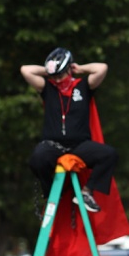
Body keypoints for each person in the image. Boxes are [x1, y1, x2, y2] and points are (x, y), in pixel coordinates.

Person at [20, 48, 117, 212]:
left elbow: (102, 68)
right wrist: (50, 68)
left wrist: (79, 69)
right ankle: (50, 193)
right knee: (37, 158)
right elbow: (25, 70)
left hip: (79, 146)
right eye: (54, 76)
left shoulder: (84, 86)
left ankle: (87, 192)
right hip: (53, 145)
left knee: (109, 154)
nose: (57, 79)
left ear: (68, 70)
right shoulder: (48, 88)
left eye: (60, 75)